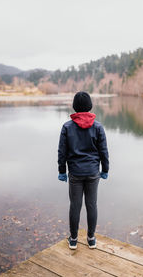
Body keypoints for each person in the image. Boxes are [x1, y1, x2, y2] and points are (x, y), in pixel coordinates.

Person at [57, 91, 109, 249]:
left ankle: (73, 240)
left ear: (74, 107)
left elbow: (62, 152)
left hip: (75, 173)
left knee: (75, 205)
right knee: (92, 205)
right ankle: (91, 239)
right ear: (90, 106)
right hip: (93, 173)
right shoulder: (98, 126)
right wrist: (105, 169)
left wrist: (62, 171)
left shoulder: (67, 127)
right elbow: (104, 151)